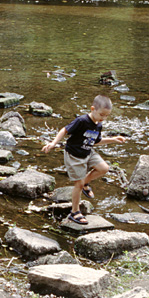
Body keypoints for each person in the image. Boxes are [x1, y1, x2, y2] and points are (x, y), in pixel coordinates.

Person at [41, 94, 125, 225]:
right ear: (93, 109)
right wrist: (53, 143)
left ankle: (85, 182)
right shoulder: (82, 121)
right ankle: (75, 212)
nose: (104, 118)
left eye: (107, 116)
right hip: (74, 155)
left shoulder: (98, 125)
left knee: (104, 168)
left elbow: (95, 142)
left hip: (88, 152)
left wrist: (113, 140)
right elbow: (64, 130)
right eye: (102, 114)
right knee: (78, 185)